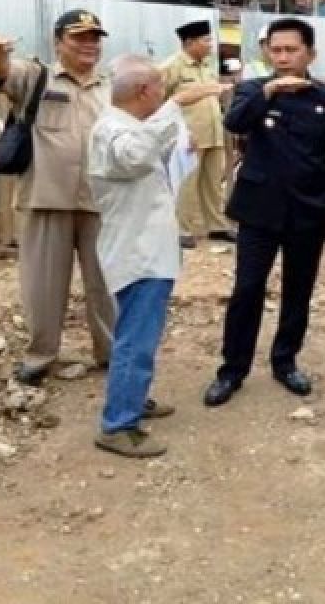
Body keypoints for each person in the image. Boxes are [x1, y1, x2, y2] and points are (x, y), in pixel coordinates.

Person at [203, 18, 325, 407]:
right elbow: (234, 122)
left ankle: (285, 361)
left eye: (292, 50)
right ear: (267, 53)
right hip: (258, 211)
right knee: (247, 289)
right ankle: (232, 370)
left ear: (310, 54)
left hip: (309, 211)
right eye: (276, 50)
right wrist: (270, 90)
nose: (284, 57)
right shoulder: (253, 91)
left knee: (298, 290)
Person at [88, 55, 228, 458]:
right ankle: (118, 425)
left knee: (139, 335)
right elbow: (134, 157)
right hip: (138, 255)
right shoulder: (113, 130)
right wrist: (177, 105)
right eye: (160, 91)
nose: (163, 96)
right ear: (144, 92)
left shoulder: (128, 125)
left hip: (147, 251)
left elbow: (151, 149)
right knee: (136, 339)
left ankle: (132, 398)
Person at [0, 10, 115, 386]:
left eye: (95, 38)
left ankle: (109, 353)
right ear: (59, 42)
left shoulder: (111, 85)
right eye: (79, 37)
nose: (89, 45)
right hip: (47, 196)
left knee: (104, 283)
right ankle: (41, 355)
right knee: (43, 286)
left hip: (98, 199)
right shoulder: (36, 75)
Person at [160, 20, 235, 249]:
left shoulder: (206, 67)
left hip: (213, 133)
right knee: (187, 182)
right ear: (190, 42)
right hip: (188, 137)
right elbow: (158, 101)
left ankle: (217, 226)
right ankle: (183, 229)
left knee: (213, 181)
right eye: (206, 40)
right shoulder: (171, 67)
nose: (211, 44)